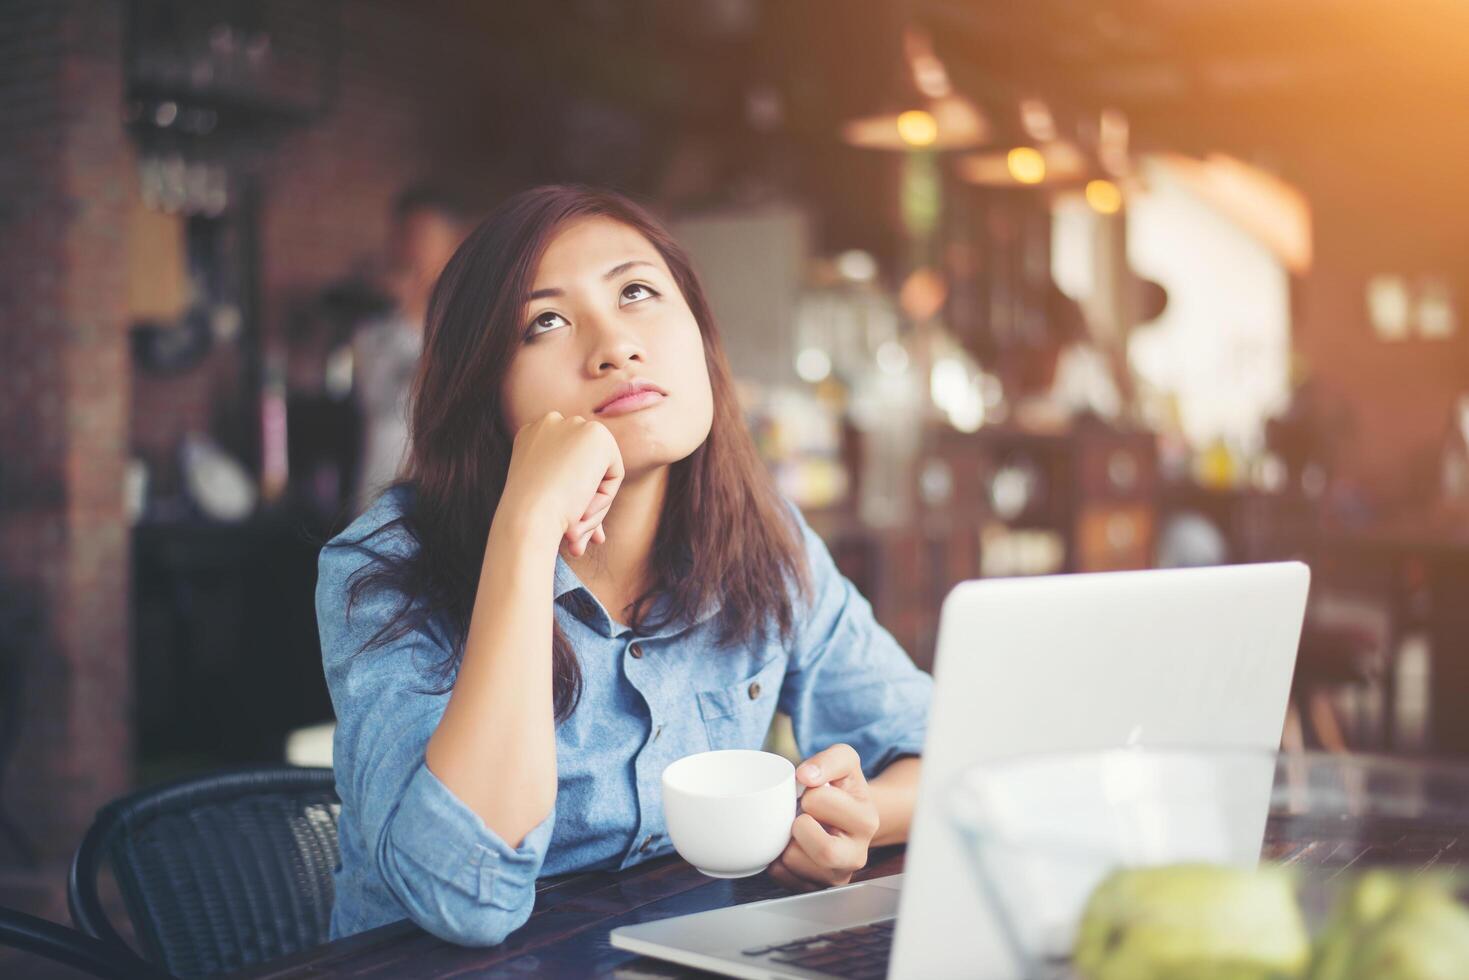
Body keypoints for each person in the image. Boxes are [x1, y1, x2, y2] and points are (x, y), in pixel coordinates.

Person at [316, 186, 932, 946]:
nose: (613, 346)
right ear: (483, 387)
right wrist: (526, 526)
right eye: (544, 322)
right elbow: (463, 901)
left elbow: (938, 753)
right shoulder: (383, 571)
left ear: (701, 336)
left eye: (636, 292)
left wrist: (845, 822)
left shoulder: (764, 541)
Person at [351, 186, 467, 512]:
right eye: (406, 235)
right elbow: (380, 402)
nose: (413, 249)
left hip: (447, 504)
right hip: (379, 497)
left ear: (452, 244)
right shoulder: (374, 331)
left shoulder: (467, 328)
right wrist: (407, 308)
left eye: (425, 236)